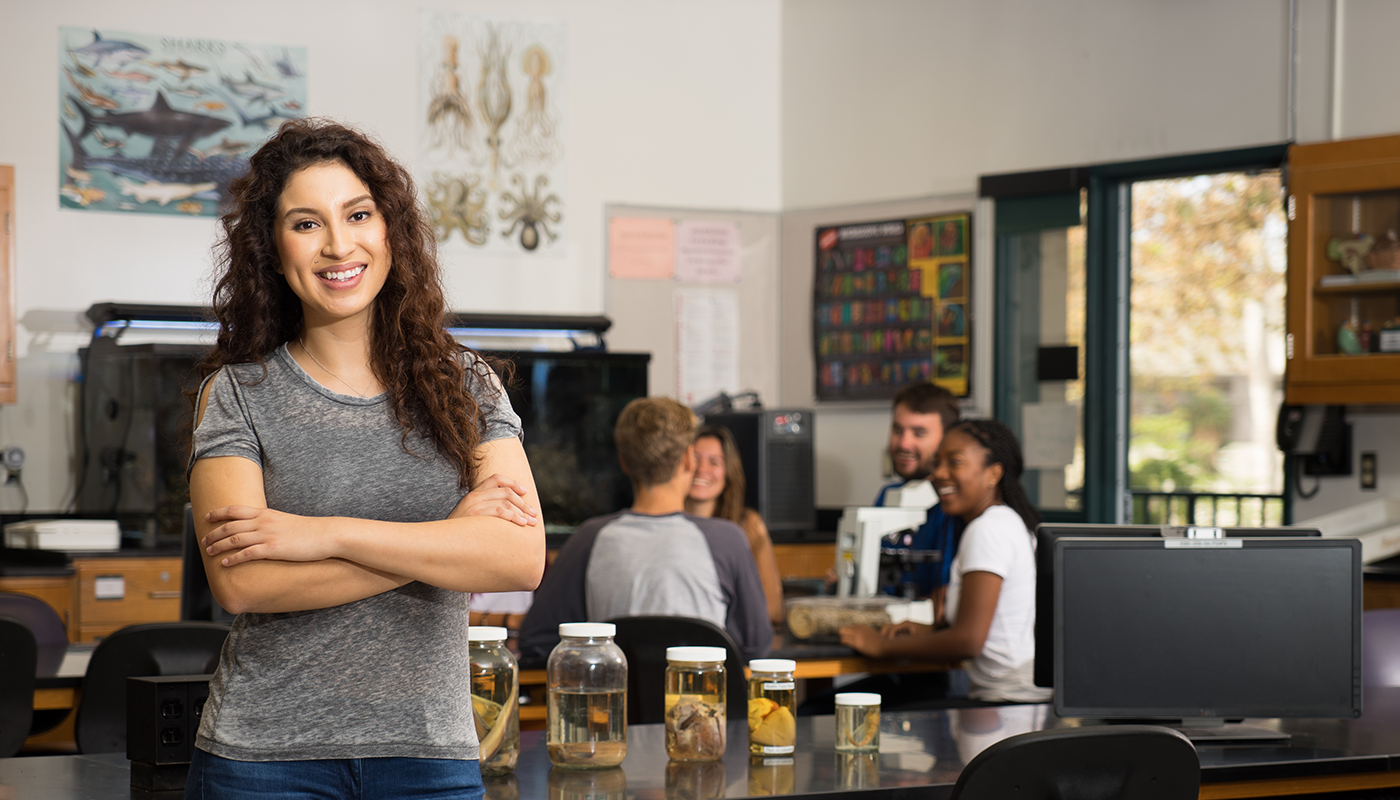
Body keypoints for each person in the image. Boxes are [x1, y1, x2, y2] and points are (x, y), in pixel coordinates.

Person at [185, 118, 546, 799]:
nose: (338, 244)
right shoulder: (236, 394)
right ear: (272, 245)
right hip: (265, 760)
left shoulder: (468, 385)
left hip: (430, 757)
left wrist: (322, 533)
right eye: (305, 223)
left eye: (358, 214)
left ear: (391, 230)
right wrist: (447, 542)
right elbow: (243, 584)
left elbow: (519, 560)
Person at [517, 397, 774, 663]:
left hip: (615, 703)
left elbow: (536, 639)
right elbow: (756, 645)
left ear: (624, 463)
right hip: (701, 702)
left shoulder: (590, 537)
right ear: (689, 459)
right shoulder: (727, 539)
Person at [839, 418, 1052, 705]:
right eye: (938, 462)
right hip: (1018, 698)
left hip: (1007, 703)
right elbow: (994, 627)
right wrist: (927, 630)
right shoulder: (1008, 522)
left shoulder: (988, 529)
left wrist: (882, 646)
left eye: (955, 462)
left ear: (993, 473)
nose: (938, 474)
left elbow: (968, 641)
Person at [684, 424, 785, 623]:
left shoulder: (749, 526)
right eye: (695, 458)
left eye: (714, 462)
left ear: (728, 472)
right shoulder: (662, 526)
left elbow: (773, 609)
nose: (702, 469)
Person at [876, 382, 963, 608]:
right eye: (898, 430)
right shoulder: (887, 496)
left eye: (919, 433)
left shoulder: (956, 508)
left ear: (947, 439)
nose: (904, 443)